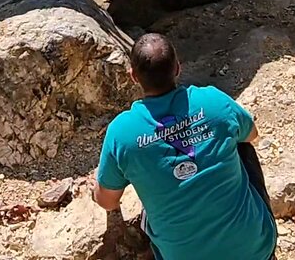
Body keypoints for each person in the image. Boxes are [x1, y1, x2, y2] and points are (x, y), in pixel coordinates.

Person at [92, 33, 277, 260]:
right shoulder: (214, 101)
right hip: (256, 251)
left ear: (133, 77)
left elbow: (107, 201)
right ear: (178, 68)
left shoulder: (121, 133)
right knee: (241, 143)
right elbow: (253, 134)